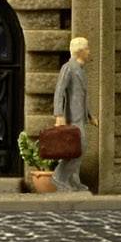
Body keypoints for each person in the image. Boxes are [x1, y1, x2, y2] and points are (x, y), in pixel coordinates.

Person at [49, 35, 91, 193]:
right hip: (72, 117)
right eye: (87, 48)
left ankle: (73, 180)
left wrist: (90, 115)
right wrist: (59, 114)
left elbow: (82, 96)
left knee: (75, 149)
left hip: (81, 116)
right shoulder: (68, 67)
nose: (89, 52)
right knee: (78, 148)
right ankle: (59, 177)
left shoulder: (80, 70)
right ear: (80, 51)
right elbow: (59, 91)